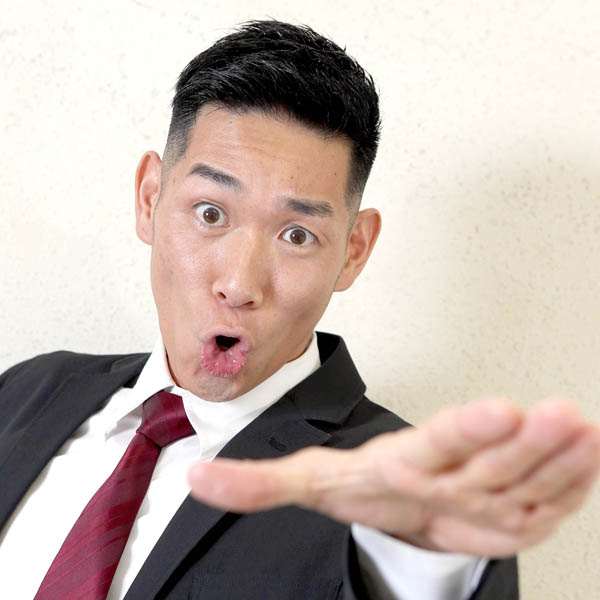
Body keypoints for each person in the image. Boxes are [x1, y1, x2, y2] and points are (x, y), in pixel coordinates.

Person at [0, 19, 598, 600]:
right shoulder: (28, 391)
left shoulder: (393, 495)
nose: (239, 283)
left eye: (297, 235)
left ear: (353, 251)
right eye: (210, 213)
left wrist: (425, 564)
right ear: (150, 198)